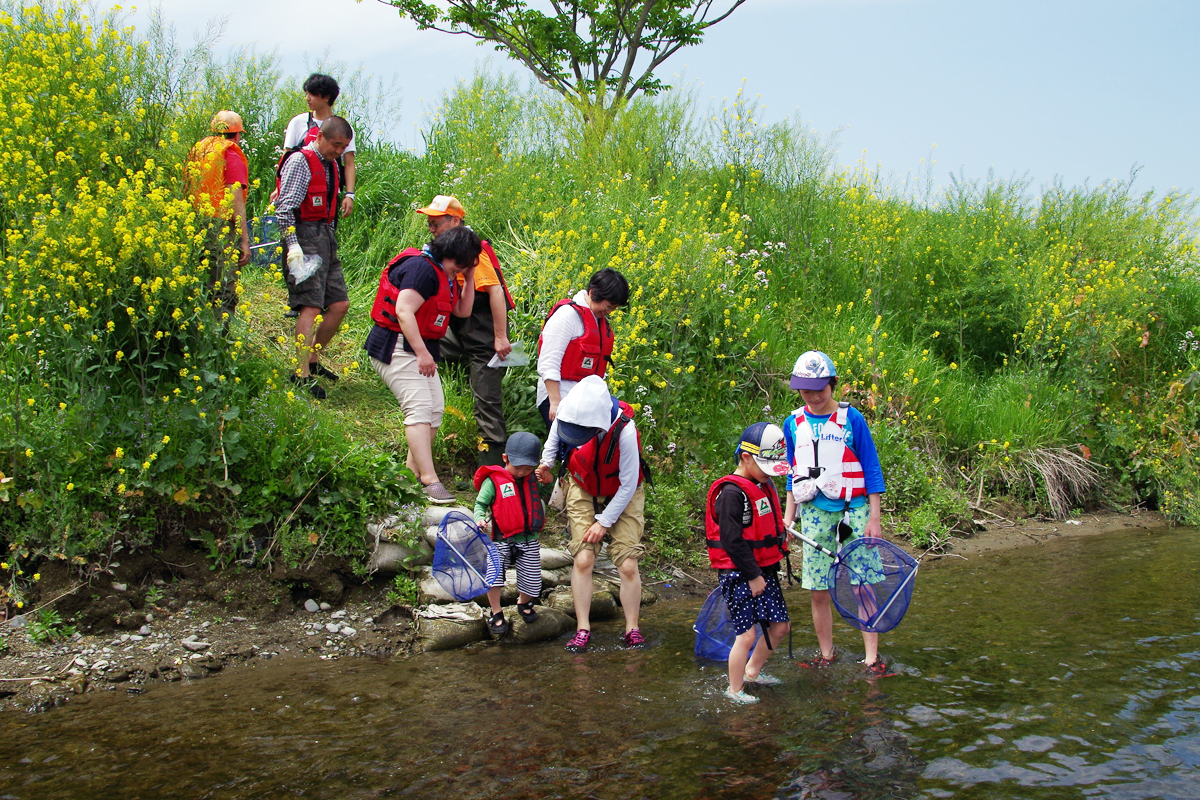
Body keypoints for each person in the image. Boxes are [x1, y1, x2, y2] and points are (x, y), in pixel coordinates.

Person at [781, 350, 889, 676]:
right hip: (814, 513)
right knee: (818, 590)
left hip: (853, 510)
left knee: (862, 585)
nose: (813, 397)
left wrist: (874, 518)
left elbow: (871, 469)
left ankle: (871, 659)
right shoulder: (793, 424)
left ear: (833, 384)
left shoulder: (852, 419)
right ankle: (826, 654)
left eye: (820, 389)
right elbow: (791, 473)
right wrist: (789, 517)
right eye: (805, 390)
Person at [364, 225, 480, 504]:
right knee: (418, 408)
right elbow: (403, 310)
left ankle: (407, 475)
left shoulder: (447, 274)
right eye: (459, 265)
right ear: (449, 253)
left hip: (420, 349)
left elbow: (462, 310)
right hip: (397, 346)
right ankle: (429, 479)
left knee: (435, 408)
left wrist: (470, 276)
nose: (459, 271)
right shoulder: (423, 269)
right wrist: (421, 353)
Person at [534, 375, 648, 652]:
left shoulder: (625, 429)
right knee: (584, 559)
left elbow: (629, 483)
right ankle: (583, 628)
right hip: (583, 486)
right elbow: (555, 438)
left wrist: (604, 522)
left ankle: (632, 628)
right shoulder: (568, 410)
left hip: (624, 492)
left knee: (628, 564)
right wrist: (546, 464)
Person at [416, 195, 515, 466]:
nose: (432, 229)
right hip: (456, 325)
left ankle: (493, 467)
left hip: (483, 331)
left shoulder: (473, 251)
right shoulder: (445, 251)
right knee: (420, 350)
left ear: (456, 221)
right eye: (429, 224)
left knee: (487, 399)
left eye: (436, 224)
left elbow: (495, 292)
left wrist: (500, 337)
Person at [705, 422, 793, 704]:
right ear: (745, 458)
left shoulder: (760, 485)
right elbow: (731, 540)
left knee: (780, 627)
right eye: (765, 468)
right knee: (746, 634)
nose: (770, 476)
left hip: (763, 569)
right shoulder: (731, 492)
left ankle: (752, 671)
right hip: (740, 573)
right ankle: (734, 690)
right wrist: (753, 575)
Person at [274, 116, 354, 399]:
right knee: (310, 306)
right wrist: (293, 246)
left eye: (343, 147)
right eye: (335, 145)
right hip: (304, 238)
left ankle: (312, 359)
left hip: (326, 237)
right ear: (320, 136)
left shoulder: (331, 165)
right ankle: (300, 373)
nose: (339, 152)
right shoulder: (300, 161)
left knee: (340, 303)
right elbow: (284, 208)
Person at [535, 268, 629, 430]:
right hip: (558, 395)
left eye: (613, 309)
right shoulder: (567, 316)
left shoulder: (598, 320)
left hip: (585, 398)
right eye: (607, 306)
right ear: (593, 293)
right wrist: (555, 403)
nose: (608, 312)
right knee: (574, 451)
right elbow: (548, 362)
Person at [473, 431, 545, 635]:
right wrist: (479, 518)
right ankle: (495, 611)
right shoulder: (494, 481)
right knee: (494, 577)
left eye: (528, 468)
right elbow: (480, 504)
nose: (523, 473)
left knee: (532, 580)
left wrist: (545, 475)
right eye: (518, 468)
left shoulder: (533, 478)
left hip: (529, 538)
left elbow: (546, 483)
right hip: (500, 540)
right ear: (505, 459)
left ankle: (523, 602)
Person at [186, 110, 251, 316]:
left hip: (195, 222)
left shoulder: (200, 149)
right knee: (224, 289)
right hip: (220, 227)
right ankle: (220, 338)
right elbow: (236, 198)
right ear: (237, 134)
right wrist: (244, 239)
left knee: (201, 286)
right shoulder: (230, 153)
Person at [281, 73, 357, 219]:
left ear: (326, 97)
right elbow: (286, 157)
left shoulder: (343, 128)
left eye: (312, 94)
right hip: (300, 188)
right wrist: (281, 187)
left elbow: (349, 163)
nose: (307, 98)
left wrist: (349, 194)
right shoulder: (298, 122)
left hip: (330, 191)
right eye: (306, 93)